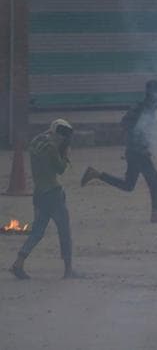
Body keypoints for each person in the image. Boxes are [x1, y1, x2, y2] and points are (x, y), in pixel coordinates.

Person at [80, 80, 157, 223]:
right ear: (154, 94)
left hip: (135, 151)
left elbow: (134, 126)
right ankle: (155, 214)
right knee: (155, 180)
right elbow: (126, 124)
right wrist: (138, 139)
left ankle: (96, 174)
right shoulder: (143, 108)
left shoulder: (147, 108)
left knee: (128, 185)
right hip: (137, 151)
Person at [10, 119, 78, 279]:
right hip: (53, 194)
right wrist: (66, 154)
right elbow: (60, 169)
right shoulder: (52, 148)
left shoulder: (36, 141)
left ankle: (18, 263)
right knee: (64, 232)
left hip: (39, 194)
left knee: (37, 232)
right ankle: (68, 270)